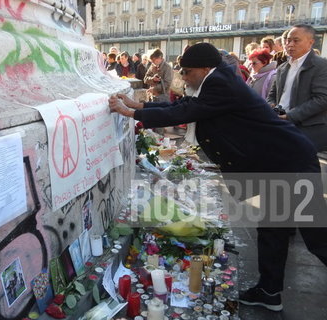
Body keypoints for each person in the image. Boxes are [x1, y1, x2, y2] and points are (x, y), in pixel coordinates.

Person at [109, 42, 327, 312]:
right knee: (273, 230)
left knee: (317, 236)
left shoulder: (220, 82)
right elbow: (191, 104)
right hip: (276, 163)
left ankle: (270, 290)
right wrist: (138, 104)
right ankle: (270, 292)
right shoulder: (217, 81)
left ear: (204, 68)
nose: (184, 77)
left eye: (187, 71)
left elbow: (187, 111)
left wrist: (133, 113)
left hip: (289, 162)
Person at [267, 24, 327, 151]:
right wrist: (273, 108)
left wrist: (290, 116)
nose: (290, 44)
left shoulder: (321, 66)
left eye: (296, 40)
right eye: (288, 40)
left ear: (311, 42)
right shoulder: (282, 67)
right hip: (281, 126)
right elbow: (272, 95)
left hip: (307, 131)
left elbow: (322, 99)